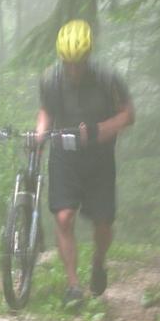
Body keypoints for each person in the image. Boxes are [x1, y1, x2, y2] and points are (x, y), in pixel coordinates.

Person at [36, 19, 134, 305]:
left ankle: (98, 262)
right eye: (68, 63)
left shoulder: (107, 79)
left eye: (78, 63)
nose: (73, 69)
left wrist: (99, 131)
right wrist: (39, 135)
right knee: (64, 217)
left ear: (88, 57)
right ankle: (73, 286)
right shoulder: (51, 79)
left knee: (102, 223)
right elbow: (46, 112)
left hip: (99, 157)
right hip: (64, 154)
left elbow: (128, 115)